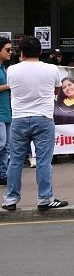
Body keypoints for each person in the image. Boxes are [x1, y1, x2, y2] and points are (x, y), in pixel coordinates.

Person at [2, 36, 68, 211]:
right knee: (44, 161)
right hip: (43, 118)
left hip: (19, 118)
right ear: (40, 52)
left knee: (15, 161)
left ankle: (11, 199)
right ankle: (45, 198)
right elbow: (56, 89)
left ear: (21, 53)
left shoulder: (12, 70)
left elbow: (13, 89)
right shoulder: (52, 69)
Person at [0, 37, 11, 186]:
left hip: (7, 111)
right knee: (1, 143)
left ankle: (3, 174)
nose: (10, 52)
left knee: (6, 146)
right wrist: (9, 85)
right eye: (7, 50)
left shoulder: (3, 67)